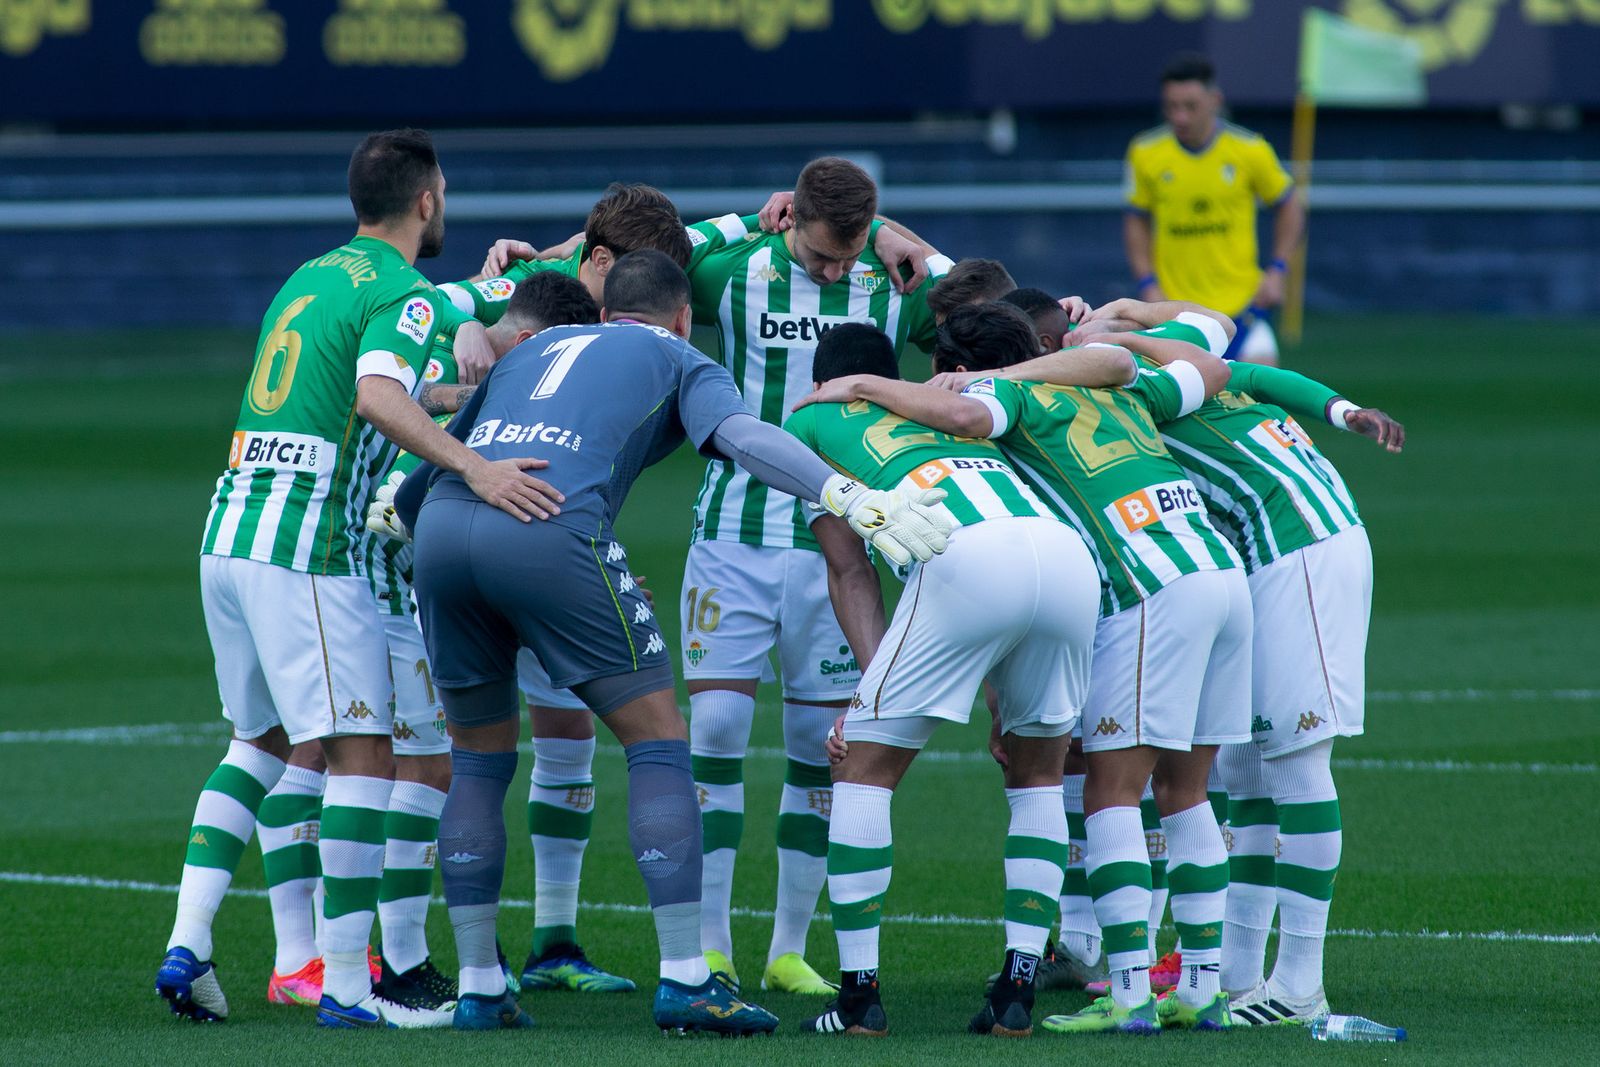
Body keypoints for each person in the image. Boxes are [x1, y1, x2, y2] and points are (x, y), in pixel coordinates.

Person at [391, 250, 951, 1033]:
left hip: (443, 532)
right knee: (657, 739)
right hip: (549, 527)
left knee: (479, 761)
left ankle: (482, 984)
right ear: (684, 316)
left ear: (602, 309)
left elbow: (416, 489)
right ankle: (689, 978)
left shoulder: (531, 348)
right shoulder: (679, 355)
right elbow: (743, 437)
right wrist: (844, 493)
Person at [156, 128, 564, 1030]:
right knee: (364, 753)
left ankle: (188, 944)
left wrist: (476, 379)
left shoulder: (310, 277)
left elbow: (381, 381)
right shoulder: (401, 291)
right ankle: (346, 986)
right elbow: (380, 398)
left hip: (228, 529)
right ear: (427, 200)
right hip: (306, 543)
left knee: (258, 742)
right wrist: (477, 468)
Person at [845, 301, 1248, 1035]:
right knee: (1187, 791)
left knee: (1111, 791)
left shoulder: (1001, 392)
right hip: (1222, 573)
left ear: (956, 368)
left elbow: (964, 417)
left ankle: (1130, 993)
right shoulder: (1114, 389)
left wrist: (868, 384)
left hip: (1150, 584)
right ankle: (1201, 986)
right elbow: (1212, 366)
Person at [1067, 297, 1403, 1025]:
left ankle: (1300, 985)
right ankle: (1240, 974)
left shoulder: (1131, 376)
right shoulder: (1176, 353)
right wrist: (1341, 411)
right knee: (1246, 770)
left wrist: (1122, 321)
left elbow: (1229, 353)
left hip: (1301, 544)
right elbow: (1230, 343)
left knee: (1297, 763)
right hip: (1270, 552)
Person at [781, 323, 1115, 1038]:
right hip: (1064, 557)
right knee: (1037, 777)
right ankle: (1017, 989)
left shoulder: (811, 419)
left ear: (820, 381)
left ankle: (859, 998)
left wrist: (869, 694)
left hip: (967, 558)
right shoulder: (932, 400)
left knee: (861, 770)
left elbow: (849, 568)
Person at [678, 158, 952, 996]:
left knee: (817, 746)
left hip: (839, 543)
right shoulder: (733, 271)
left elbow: (982, 299)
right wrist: (738, 214)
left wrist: (903, 239)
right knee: (716, 727)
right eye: (823, 255)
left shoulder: (889, 277)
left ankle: (788, 949)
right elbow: (630, 257)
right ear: (790, 215)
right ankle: (711, 945)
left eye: (849, 255)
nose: (836, 272)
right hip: (732, 531)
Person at [1124, 52, 1305, 364]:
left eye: (1190, 106)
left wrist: (1277, 270)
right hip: (1176, 312)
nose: (1180, 117)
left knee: (1260, 381)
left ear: (1214, 100)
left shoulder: (1250, 149)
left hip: (1244, 307)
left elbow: (1289, 206)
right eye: (1172, 107)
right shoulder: (1145, 152)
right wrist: (1148, 284)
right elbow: (1135, 220)